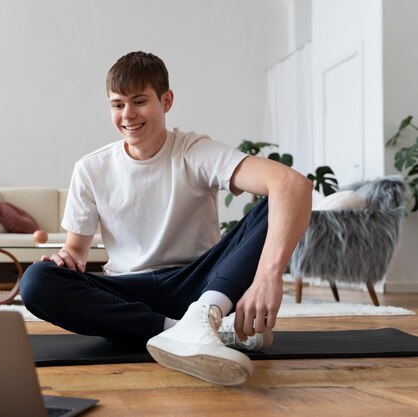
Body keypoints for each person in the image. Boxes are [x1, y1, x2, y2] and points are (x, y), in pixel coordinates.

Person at [19, 51, 312, 386]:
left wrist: (268, 278)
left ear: (166, 100)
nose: (128, 114)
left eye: (139, 101)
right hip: (128, 293)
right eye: (117, 105)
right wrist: (66, 259)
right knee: (36, 281)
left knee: (271, 206)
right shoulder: (91, 168)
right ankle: (180, 331)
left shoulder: (194, 151)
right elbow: (76, 252)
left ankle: (205, 317)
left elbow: (293, 184)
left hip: (201, 285)